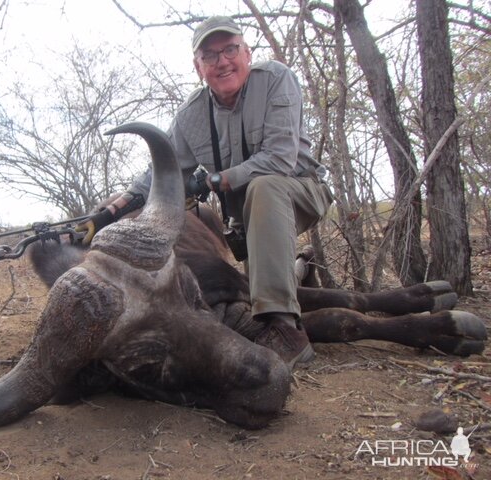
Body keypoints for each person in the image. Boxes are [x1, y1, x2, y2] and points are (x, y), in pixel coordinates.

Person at [77, 15, 333, 369]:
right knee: (255, 257)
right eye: (210, 56)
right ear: (198, 67)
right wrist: (109, 212)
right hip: (250, 215)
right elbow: (159, 174)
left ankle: (285, 330)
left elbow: (278, 160)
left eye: (230, 49)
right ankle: (299, 269)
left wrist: (215, 181)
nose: (222, 61)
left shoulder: (276, 80)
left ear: (247, 52)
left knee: (264, 185)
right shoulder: (190, 115)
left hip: (301, 189)